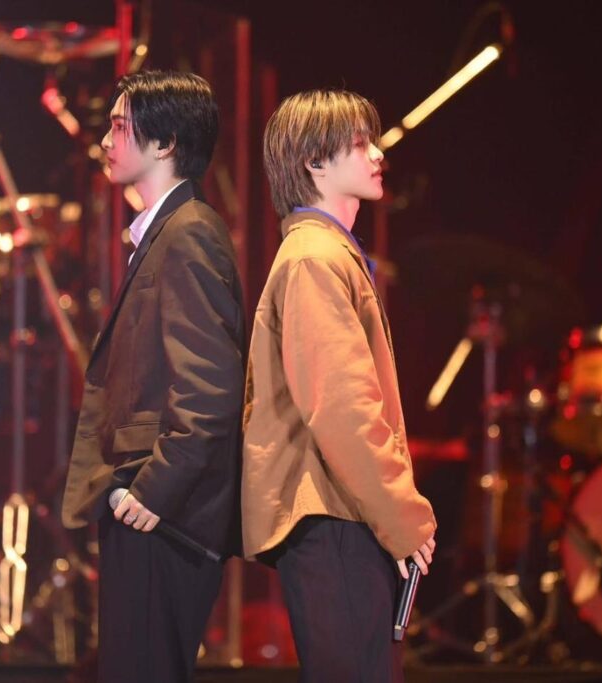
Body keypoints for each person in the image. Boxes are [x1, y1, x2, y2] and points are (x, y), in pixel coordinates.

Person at [242, 89, 437, 683]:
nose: (377, 154)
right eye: (359, 143)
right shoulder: (314, 258)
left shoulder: (324, 253)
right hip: (335, 514)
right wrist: (402, 515)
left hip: (342, 510)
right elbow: (341, 407)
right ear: (314, 162)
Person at [61, 70, 245, 683]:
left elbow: (210, 390)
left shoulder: (189, 234)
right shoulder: (167, 232)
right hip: (149, 510)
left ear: (165, 143)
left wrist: (150, 493)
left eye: (120, 126)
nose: (105, 141)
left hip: (164, 517)